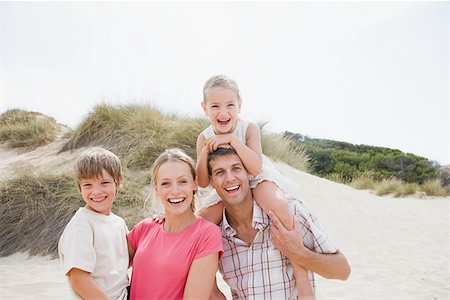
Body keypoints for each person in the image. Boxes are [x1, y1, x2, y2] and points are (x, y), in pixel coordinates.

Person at [207, 147, 351, 299]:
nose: (230, 178)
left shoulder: (289, 214)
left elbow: (342, 270)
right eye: (220, 172)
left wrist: (299, 253)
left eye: (236, 169)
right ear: (211, 182)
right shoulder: (216, 237)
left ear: (249, 173)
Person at [127, 148, 224, 300]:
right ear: (156, 188)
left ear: (195, 184)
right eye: (166, 184)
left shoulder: (206, 234)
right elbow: (108, 268)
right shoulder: (144, 228)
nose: (175, 191)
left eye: (182, 181)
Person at [58, 147, 129, 300]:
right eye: (88, 185)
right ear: (79, 187)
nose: (96, 191)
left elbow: (128, 258)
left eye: (104, 183)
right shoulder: (82, 224)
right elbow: (79, 279)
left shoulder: (118, 223)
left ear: (118, 182)